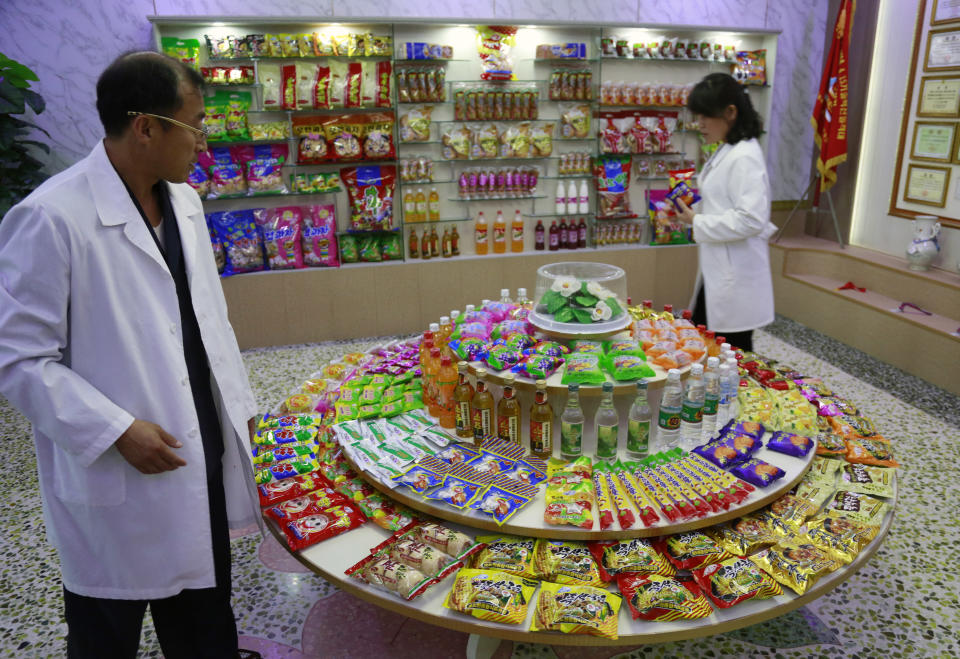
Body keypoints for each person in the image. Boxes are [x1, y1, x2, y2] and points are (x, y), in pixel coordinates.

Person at [0, 51, 262, 658]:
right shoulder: (51, 217)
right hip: (118, 463)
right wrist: (115, 430)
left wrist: (239, 408)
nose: (204, 140)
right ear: (146, 126)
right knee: (105, 629)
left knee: (204, 617)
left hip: (200, 442)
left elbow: (205, 326)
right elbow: (17, 360)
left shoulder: (186, 204)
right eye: (195, 124)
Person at [674, 72, 776, 353]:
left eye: (706, 116)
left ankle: (740, 397)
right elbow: (722, 202)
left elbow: (752, 219)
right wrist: (692, 209)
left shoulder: (744, 155)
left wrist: (698, 220)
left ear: (730, 112)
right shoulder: (728, 149)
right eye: (698, 116)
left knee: (732, 354)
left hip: (735, 275)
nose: (700, 124)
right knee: (707, 343)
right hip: (719, 268)